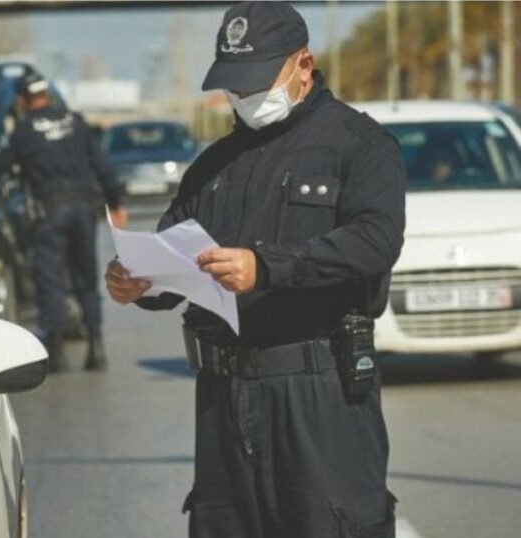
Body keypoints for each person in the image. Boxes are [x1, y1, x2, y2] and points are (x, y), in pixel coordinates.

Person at [105, 3, 406, 537]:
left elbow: (374, 242)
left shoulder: (359, 145)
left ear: (303, 66)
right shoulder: (213, 165)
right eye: (233, 85)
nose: (243, 97)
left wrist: (265, 267)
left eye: (254, 82)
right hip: (223, 398)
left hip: (318, 391)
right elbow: (173, 247)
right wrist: (138, 281)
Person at [0, 73, 127, 372]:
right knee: (86, 276)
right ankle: (96, 347)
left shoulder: (25, 131)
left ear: (22, 100)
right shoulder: (75, 122)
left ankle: (56, 352)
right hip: (84, 210)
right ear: (46, 94)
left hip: (50, 212)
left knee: (50, 279)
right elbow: (102, 165)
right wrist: (116, 203)